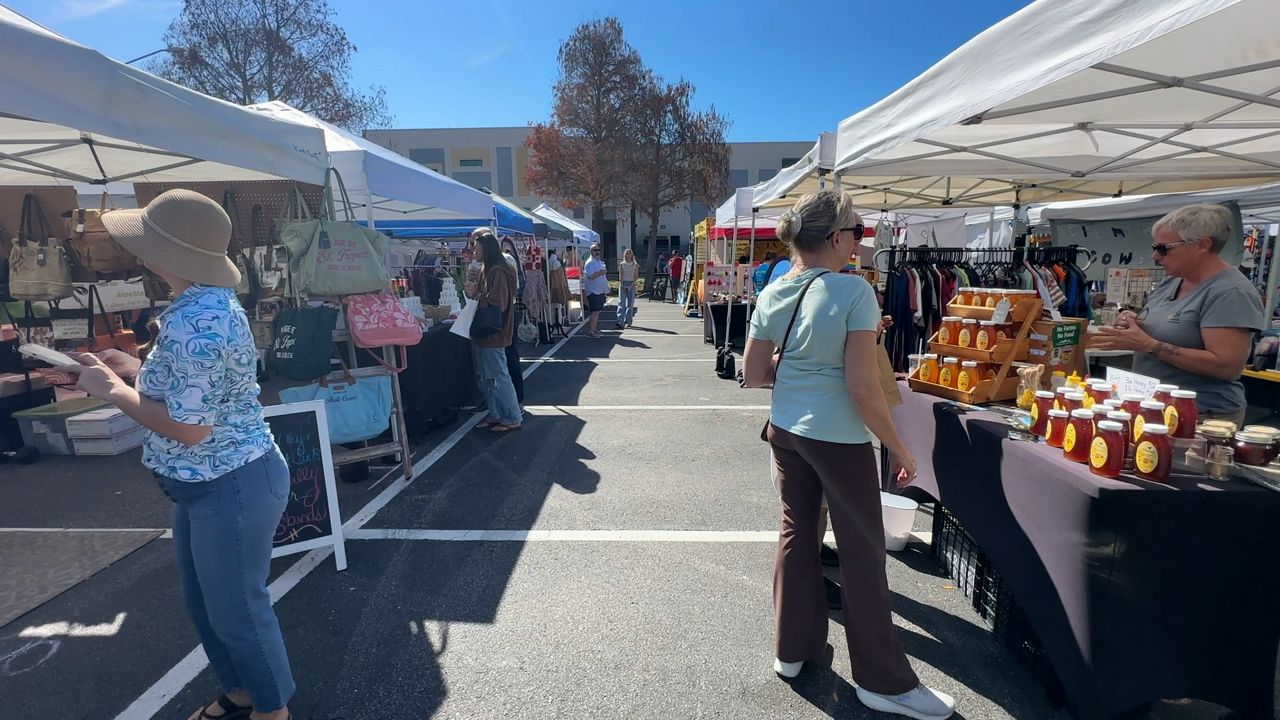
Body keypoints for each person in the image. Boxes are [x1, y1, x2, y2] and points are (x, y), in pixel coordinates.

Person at [63, 190, 295, 720]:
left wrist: (112, 391)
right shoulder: (199, 305)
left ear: (166, 253)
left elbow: (190, 429)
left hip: (228, 481)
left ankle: (271, 710)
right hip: (215, 482)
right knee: (209, 605)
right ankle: (243, 692)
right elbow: (188, 389)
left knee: (236, 610)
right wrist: (128, 367)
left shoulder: (198, 318)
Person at [742, 189, 955, 720]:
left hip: (787, 429)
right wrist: (900, 446)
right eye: (857, 233)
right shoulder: (854, 292)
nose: (859, 243)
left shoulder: (774, 289)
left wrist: (807, 370)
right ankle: (882, 681)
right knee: (862, 554)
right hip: (838, 438)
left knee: (796, 534)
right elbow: (863, 389)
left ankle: (792, 649)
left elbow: (753, 374)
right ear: (836, 238)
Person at [1093, 204, 1265, 426]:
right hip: (1154, 407)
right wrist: (1135, 323)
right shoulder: (1172, 281)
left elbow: (1226, 366)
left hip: (1199, 416)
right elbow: (1167, 328)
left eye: (1164, 248)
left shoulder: (1230, 293)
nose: (1155, 255)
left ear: (1203, 245)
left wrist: (1150, 344)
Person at [469, 230, 523, 433]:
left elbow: (497, 303)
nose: (474, 250)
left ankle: (511, 416)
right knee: (487, 376)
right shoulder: (490, 269)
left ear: (487, 248)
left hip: (494, 332)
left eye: (477, 246)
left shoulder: (498, 271)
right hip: (487, 332)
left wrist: (477, 294)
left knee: (498, 375)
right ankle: (497, 414)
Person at [583, 243, 609, 338]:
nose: (597, 252)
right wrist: (601, 272)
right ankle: (591, 331)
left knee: (598, 311)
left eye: (598, 250)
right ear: (591, 252)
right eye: (595, 250)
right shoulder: (590, 262)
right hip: (593, 291)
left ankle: (594, 329)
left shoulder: (599, 261)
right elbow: (590, 276)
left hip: (600, 290)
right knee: (594, 311)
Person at [617, 248, 640, 328]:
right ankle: (620, 321)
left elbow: (636, 276)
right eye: (627, 253)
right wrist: (622, 285)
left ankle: (628, 321)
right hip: (623, 284)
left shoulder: (635, 265)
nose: (628, 254)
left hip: (632, 284)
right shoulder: (622, 264)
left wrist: (631, 286)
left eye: (630, 253)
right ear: (625, 255)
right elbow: (621, 275)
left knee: (630, 304)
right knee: (621, 303)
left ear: (632, 255)